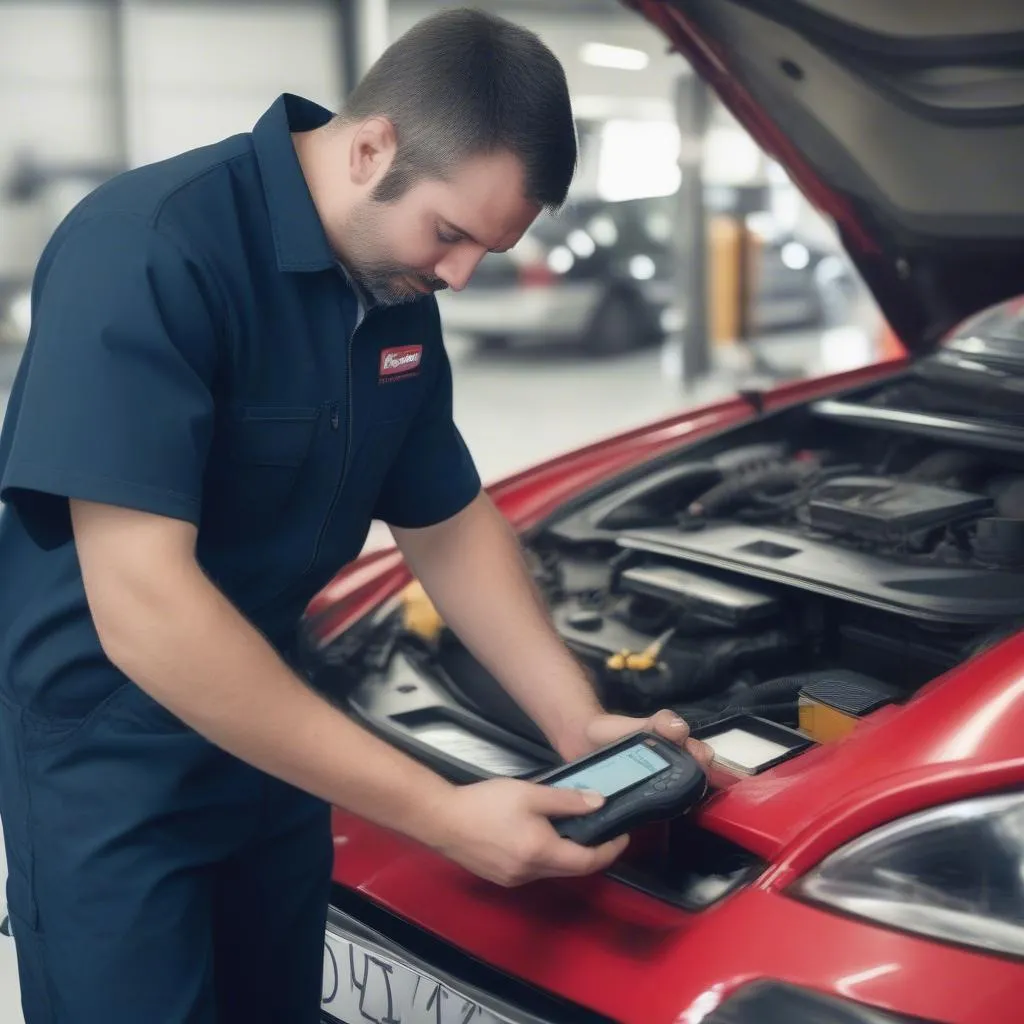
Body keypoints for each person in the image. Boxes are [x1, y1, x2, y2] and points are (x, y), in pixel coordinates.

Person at [0, 7, 711, 1023]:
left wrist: (578, 717)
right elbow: (145, 607)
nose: (461, 277)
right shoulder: (149, 250)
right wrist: (438, 815)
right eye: (452, 234)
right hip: (110, 759)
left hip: (274, 729)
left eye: (488, 250)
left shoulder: (391, 283)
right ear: (372, 146)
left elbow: (447, 520)